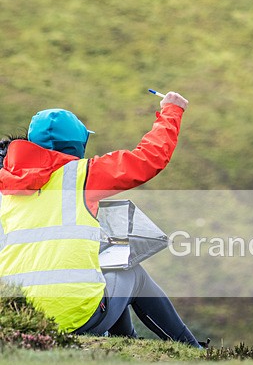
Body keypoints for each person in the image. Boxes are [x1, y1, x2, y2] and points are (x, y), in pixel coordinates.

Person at [0, 92, 202, 347]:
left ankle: (125, 345)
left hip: (17, 315)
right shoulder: (82, 176)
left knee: (104, 277)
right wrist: (172, 110)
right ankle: (192, 348)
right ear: (77, 145)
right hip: (72, 317)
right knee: (133, 274)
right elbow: (149, 159)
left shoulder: (5, 185)